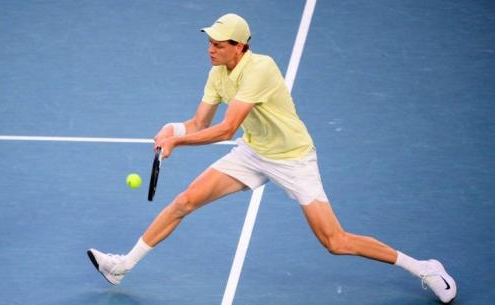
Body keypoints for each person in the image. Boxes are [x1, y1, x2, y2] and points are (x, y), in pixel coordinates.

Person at [87, 13, 457, 304]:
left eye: (218, 44)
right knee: (184, 201)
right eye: (209, 43)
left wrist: (179, 146)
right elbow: (200, 122)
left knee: (335, 241)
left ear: (239, 47)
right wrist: (174, 131)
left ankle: (422, 268)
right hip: (253, 153)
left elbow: (226, 129)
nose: (210, 49)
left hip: (293, 159)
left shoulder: (260, 68)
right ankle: (122, 266)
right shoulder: (218, 72)